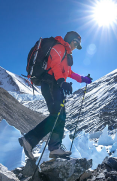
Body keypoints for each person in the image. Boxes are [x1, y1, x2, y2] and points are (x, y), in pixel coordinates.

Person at [19, 31, 92, 159]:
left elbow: (69, 72)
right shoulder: (58, 47)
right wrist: (61, 81)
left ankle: (55, 147)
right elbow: (55, 65)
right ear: (71, 40)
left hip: (56, 86)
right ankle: (29, 140)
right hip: (51, 84)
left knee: (60, 116)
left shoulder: (66, 54)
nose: (76, 47)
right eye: (76, 43)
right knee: (56, 115)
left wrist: (83, 79)